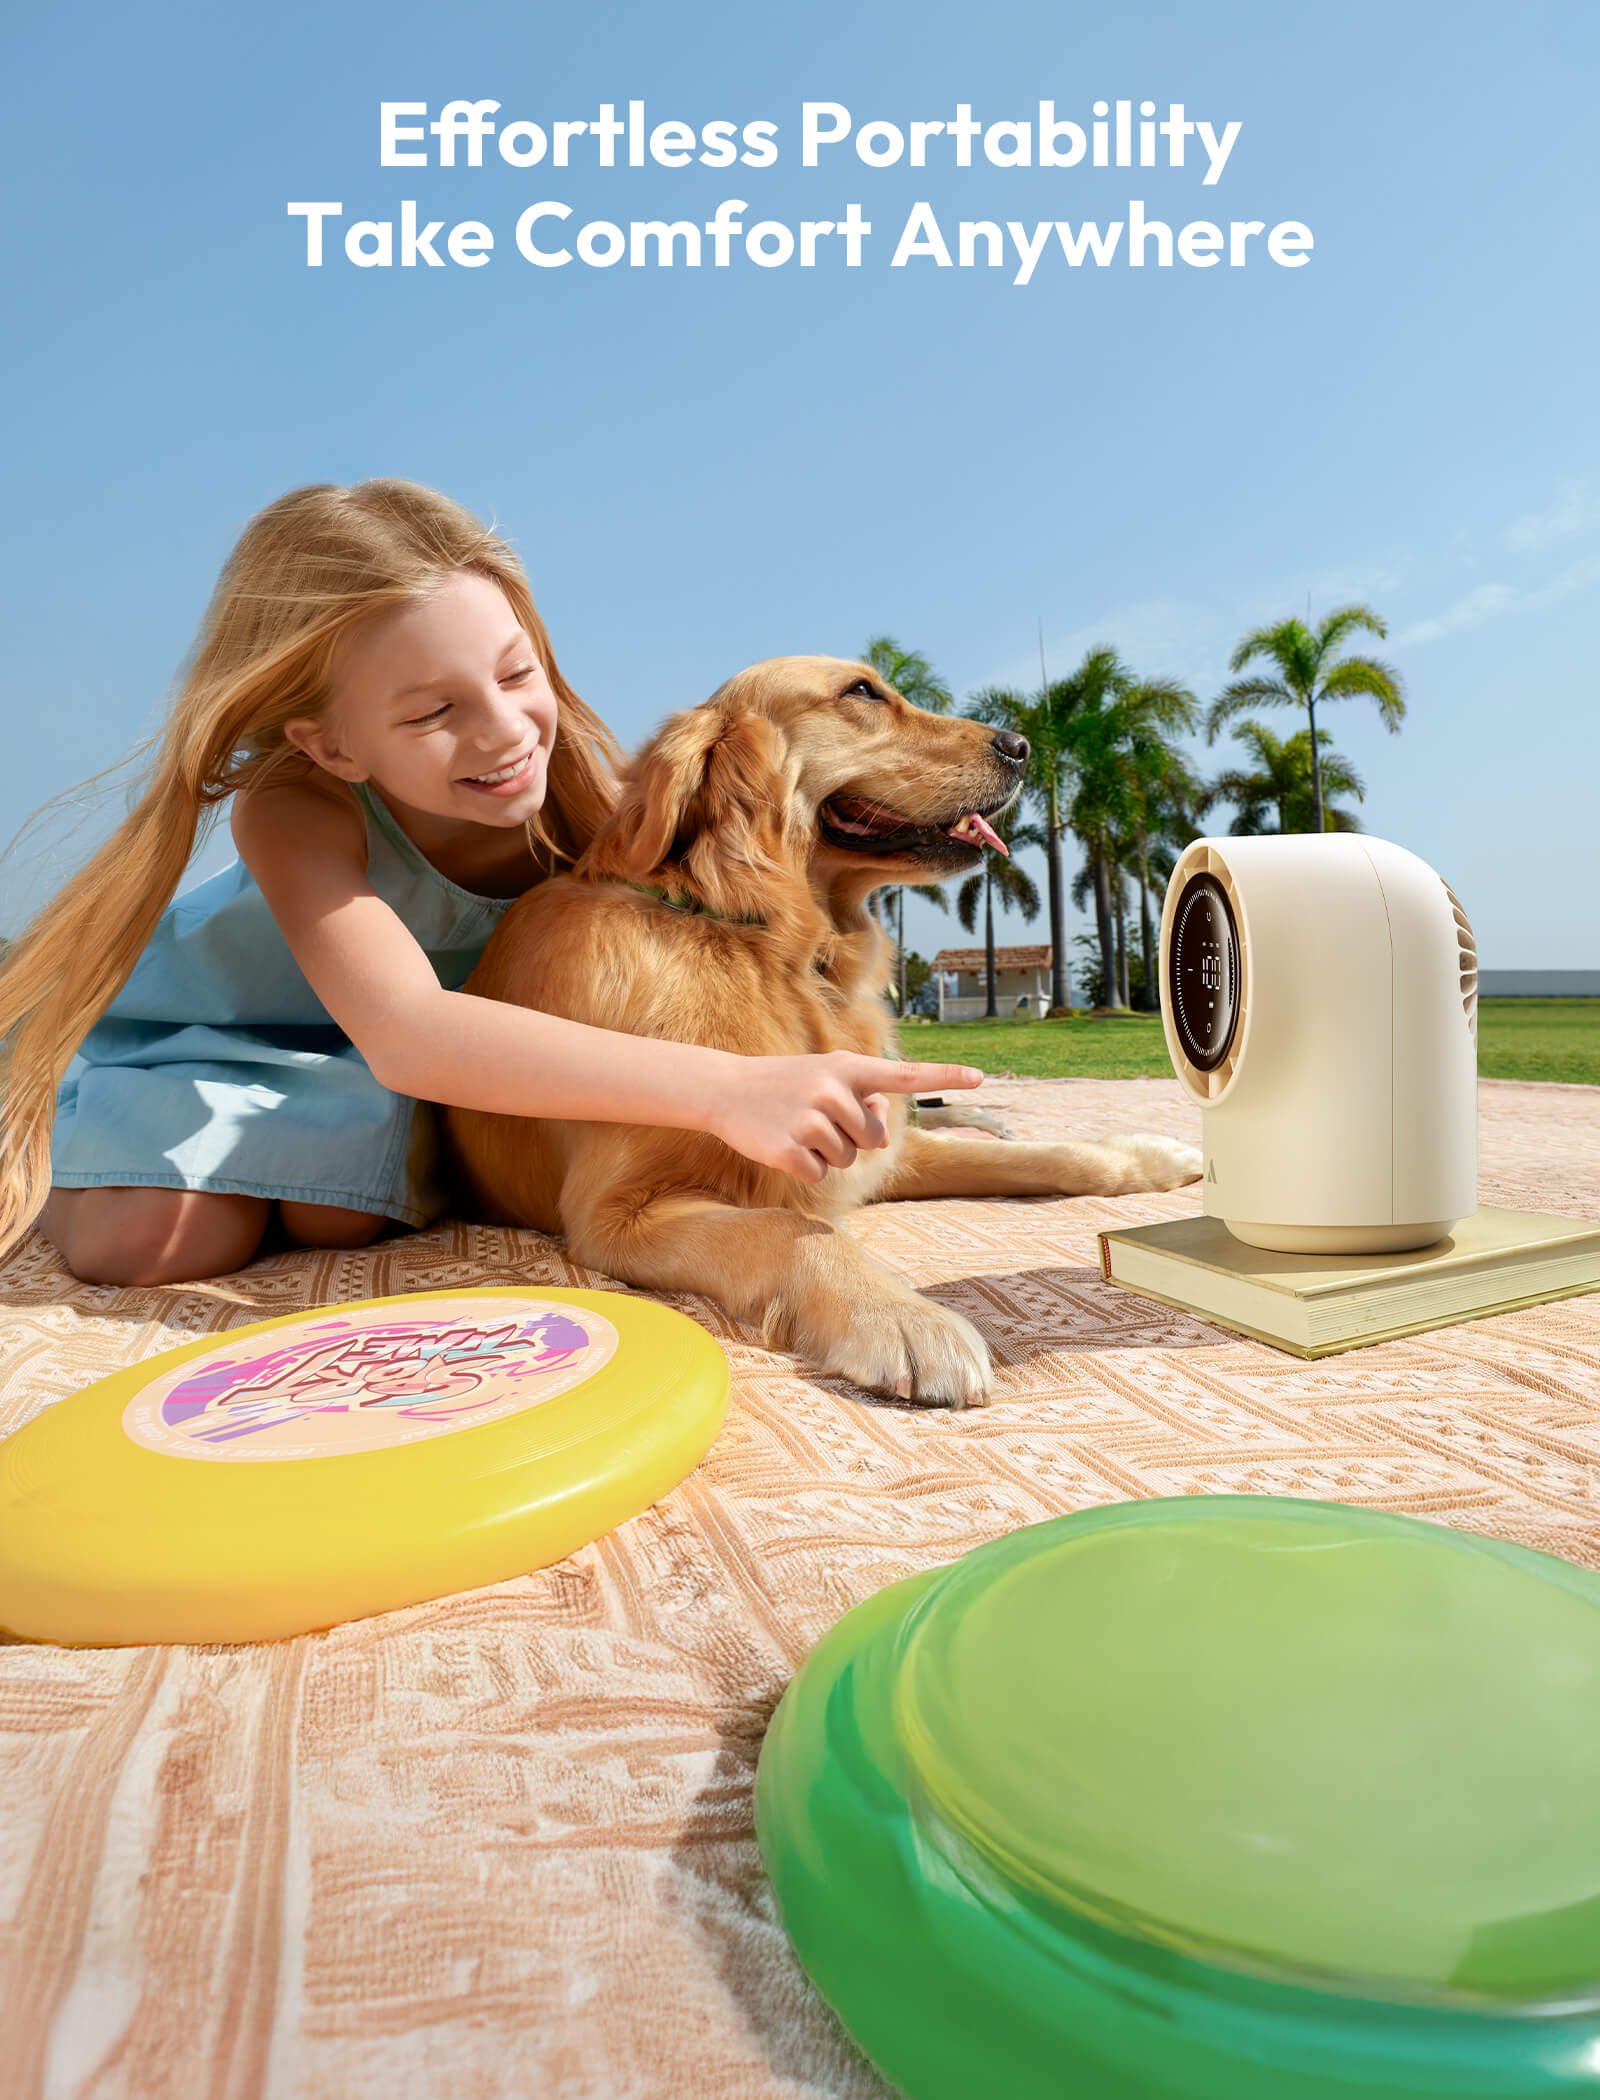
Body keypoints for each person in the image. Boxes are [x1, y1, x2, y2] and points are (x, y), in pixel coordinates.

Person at [0, 479, 981, 1287]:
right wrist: (728, 1088)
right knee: (160, 1245)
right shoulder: (291, 806)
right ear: (332, 741)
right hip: (246, 1039)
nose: (507, 733)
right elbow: (410, 1030)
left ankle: (289, 1164)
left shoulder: (576, 794)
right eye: (435, 711)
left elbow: (728, 910)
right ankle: (50, 1148)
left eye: (518, 676)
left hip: (415, 1073)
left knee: (337, 1217)